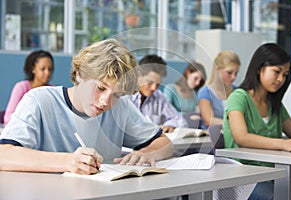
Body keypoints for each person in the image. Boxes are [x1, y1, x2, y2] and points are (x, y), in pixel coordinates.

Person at [0, 39, 173, 175]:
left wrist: (147, 153)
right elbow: (4, 155)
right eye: (100, 88)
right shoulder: (39, 100)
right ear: (80, 74)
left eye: (117, 94)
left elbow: (164, 143)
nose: (106, 101)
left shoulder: (121, 106)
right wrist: (67, 162)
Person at [223, 43, 291, 199]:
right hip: (244, 177)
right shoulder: (238, 97)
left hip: (274, 174)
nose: (280, 79)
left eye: (285, 75)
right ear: (259, 68)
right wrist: (285, 144)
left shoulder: (274, 104)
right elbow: (242, 138)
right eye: (277, 72)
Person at [129, 54, 187, 134]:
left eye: (158, 84)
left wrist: (170, 125)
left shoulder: (159, 97)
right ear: (139, 75)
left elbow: (180, 120)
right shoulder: (125, 97)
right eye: (150, 82)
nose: (154, 88)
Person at [4, 50, 54, 125]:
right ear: (33, 69)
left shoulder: (53, 90)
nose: (47, 73)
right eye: (42, 69)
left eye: (50, 69)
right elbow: (7, 118)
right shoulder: (21, 87)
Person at [197, 50, 240, 128]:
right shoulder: (205, 92)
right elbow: (209, 120)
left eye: (236, 73)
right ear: (218, 69)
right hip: (211, 137)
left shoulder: (237, 92)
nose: (233, 77)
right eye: (229, 73)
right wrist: (236, 124)